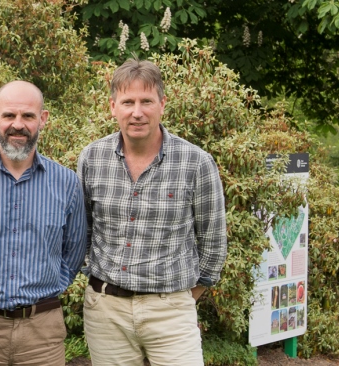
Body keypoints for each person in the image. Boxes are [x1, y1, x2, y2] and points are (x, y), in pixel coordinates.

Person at [77, 59, 228, 366]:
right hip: (106, 313)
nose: (137, 112)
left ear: (162, 104)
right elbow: (82, 233)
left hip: (171, 311)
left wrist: (181, 298)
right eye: (127, 102)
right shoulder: (92, 158)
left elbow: (213, 244)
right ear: (112, 107)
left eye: (146, 101)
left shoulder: (196, 162)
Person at [0, 81, 87, 365]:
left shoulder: (67, 184)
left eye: (28, 116)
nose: (18, 125)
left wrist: (45, 292)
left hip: (42, 334)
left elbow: (73, 255)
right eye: (9, 115)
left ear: (43, 119)